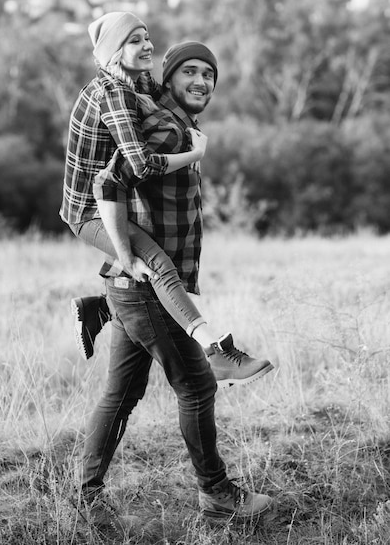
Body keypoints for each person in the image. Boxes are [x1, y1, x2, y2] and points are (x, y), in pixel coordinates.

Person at [76, 42, 274, 535]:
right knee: (198, 386)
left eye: (209, 74)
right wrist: (125, 258)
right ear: (169, 77)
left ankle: (86, 494)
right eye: (190, 71)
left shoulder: (173, 122)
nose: (202, 82)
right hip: (145, 287)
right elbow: (108, 184)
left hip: (139, 285)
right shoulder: (165, 127)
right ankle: (218, 495)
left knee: (121, 393)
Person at [60, 11, 273, 387]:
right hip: (88, 210)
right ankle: (216, 352)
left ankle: (100, 308)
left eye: (147, 37)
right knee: (155, 263)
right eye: (135, 40)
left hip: (109, 201)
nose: (147, 46)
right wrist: (193, 155)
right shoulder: (115, 94)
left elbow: (167, 98)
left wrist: (187, 101)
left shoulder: (139, 81)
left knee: (121, 390)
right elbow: (139, 164)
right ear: (113, 52)